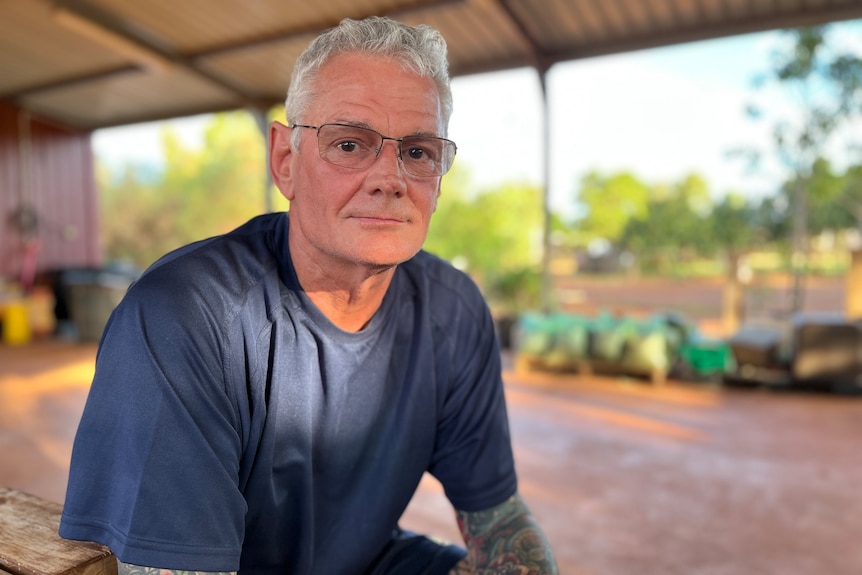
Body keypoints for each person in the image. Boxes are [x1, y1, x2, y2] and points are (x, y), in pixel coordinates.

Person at [59, 16, 559, 575]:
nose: (389, 177)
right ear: (285, 162)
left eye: (418, 153)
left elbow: (500, 522)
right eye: (350, 144)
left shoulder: (453, 309)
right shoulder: (187, 315)